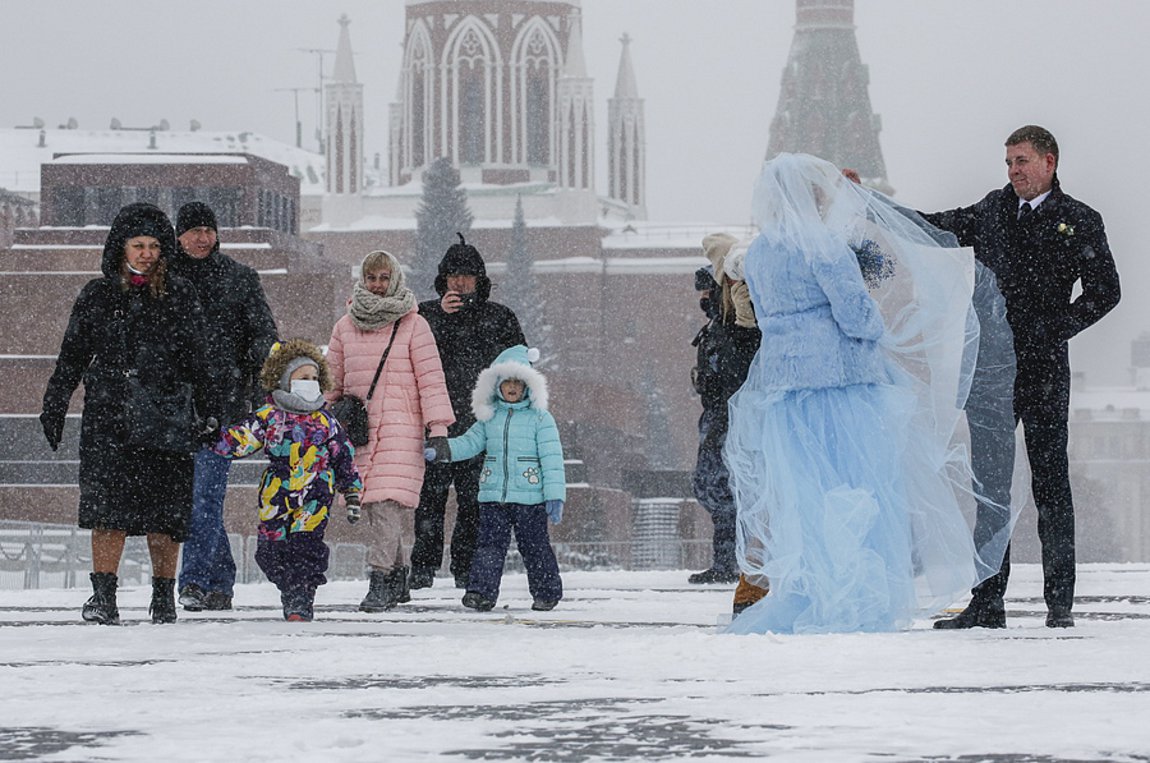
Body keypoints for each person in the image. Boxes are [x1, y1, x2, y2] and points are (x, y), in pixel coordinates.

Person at [724, 153, 1007, 635]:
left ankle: (805, 591)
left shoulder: (760, 253)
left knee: (802, 497)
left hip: (783, 388)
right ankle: (855, 594)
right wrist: (878, 324)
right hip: (842, 384)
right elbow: (856, 315)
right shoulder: (825, 248)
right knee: (858, 490)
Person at [922, 126, 1121, 629]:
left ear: (1049, 163)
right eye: (1009, 162)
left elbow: (1106, 291)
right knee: (989, 485)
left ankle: (1060, 605)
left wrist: (1053, 329)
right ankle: (987, 601)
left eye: (1022, 161)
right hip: (992, 372)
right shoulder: (992, 210)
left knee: (1051, 482)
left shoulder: (1078, 220)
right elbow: (939, 226)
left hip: (1044, 369)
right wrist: (874, 206)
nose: (1013, 171)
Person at [40, 203, 218, 625]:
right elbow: (73, 356)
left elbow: (201, 360)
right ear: (120, 248)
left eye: (155, 245)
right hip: (110, 415)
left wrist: (211, 411)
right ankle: (103, 597)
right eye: (138, 245)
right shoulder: (98, 295)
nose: (147, 253)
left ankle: (163, 597)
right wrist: (55, 402)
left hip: (167, 415)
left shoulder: (180, 295)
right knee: (107, 512)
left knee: (166, 516)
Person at [326, 250, 454, 612]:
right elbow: (331, 384)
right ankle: (398, 577)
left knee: (384, 503)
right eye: (372, 278)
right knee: (375, 505)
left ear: (395, 279)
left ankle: (380, 579)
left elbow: (431, 380)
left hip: (402, 428)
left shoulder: (414, 325)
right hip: (361, 432)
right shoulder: (344, 326)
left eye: (384, 278)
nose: (378, 285)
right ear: (362, 280)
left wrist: (438, 429)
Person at [170, 201, 279, 613]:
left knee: (204, 497)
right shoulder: (165, 278)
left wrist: (253, 360)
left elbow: (264, 333)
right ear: (178, 236)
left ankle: (193, 582)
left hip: (222, 407)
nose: (201, 237)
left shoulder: (240, 278)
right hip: (174, 408)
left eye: (208, 230)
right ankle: (221, 579)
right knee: (193, 499)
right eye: (193, 230)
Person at [213, 339, 362, 621]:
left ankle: (301, 596)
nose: (310, 383)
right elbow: (241, 440)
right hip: (276, 493)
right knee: (270, 551)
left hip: (315, 493)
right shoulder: (270, 417)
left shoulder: (325, 420)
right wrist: (213, 436)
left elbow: (343, 455)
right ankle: (288, 585)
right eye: (303, 377)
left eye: (315, 378)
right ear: (284, 379)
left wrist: (351, 490)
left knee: (306, 547)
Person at [410, 234, 526, 590]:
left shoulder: (500, 317)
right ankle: (423, 567)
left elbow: (520, 370)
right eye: (453, 274)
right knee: (428, 498)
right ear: (443, 279)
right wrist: (440, 319)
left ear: (480, 279)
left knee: (474, 501)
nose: (460, 282)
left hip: (481, 425)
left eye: (468, 275)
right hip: (435, 422)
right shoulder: (424, 317)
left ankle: (464, 566)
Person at [426, 345, 566, 611]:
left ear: (528, 386)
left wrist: (555, 495)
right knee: (489, 547)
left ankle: (546, 592)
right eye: (506, 383)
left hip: (530, 498)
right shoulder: (489, 418)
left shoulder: (540, 419)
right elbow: (469, 444)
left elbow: (552, 460)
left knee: (535, 547)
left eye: (518, 382)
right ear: (497, 386)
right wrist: (443, 449)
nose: (512, 388)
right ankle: (481, 593)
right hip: (493, 497)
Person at [687, 234, 761, 585]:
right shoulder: (717, 324)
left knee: (726, 486)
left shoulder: (740, 318)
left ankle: (733, 560)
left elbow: (741, 361)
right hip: (717, 412)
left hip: (734, 413)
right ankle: (728, 559)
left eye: (705, 290)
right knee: (711, 485)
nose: (701, 298)